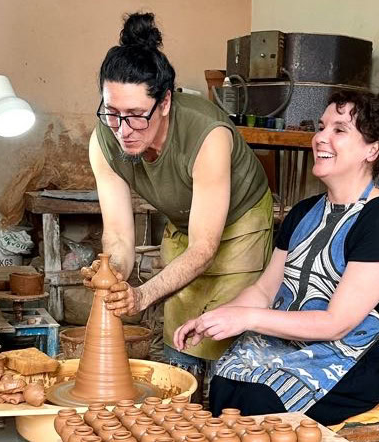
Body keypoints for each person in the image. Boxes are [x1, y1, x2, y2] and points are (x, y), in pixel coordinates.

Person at [173, 89, 379, 425]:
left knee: (256, 398)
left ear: (372, 149)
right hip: (291, 345)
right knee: (226, 379)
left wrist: (247, 319)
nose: (321, 138)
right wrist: (216, 316)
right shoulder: (304, 212)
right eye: (321, 126)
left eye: (339, 130)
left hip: (349, 360)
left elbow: (337, 323)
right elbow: (264, 291)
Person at [81, 11, 273, 393]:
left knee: (223, 352)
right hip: (185, 223)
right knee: (180, 348)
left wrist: (143, 294)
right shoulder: (104, 143)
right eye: (112, 113)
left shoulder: (208, 135)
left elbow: (205, 247)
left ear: (165, 102)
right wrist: (113, 278)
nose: (122, 129)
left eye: (136, 115)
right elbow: (119, 236)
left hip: (240, 226)